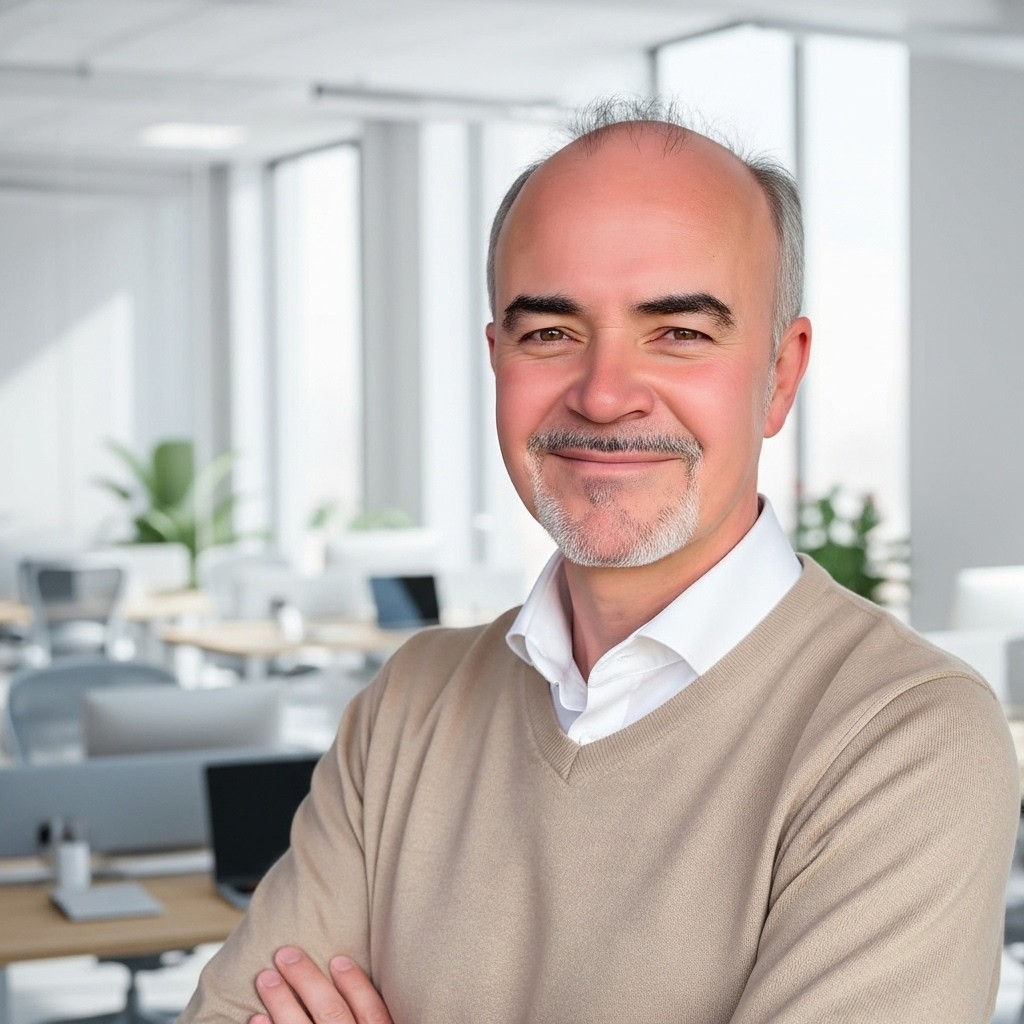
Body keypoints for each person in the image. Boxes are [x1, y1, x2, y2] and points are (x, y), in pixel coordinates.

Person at [180, 98, 1020, 1024]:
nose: (605, 393)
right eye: (551, 333)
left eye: (681, 332)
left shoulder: (902, 737)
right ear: (497, 359)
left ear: (779, 375)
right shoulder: (411, 703)